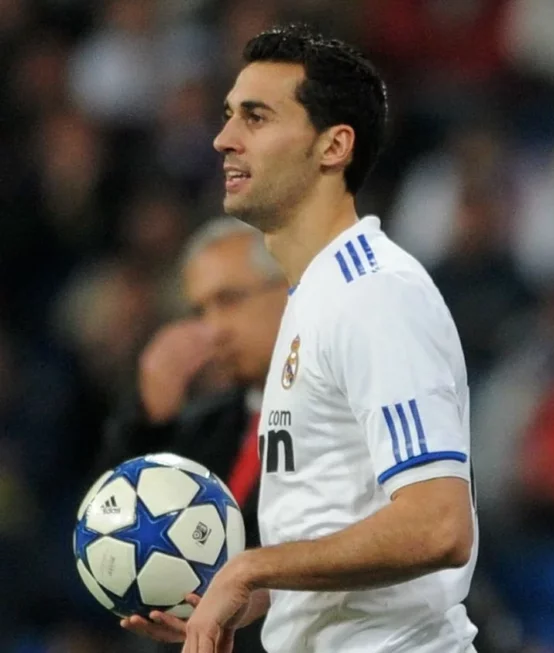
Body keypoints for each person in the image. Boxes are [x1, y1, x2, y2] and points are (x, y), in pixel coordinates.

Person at [122, 24, 478, 653]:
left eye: (256, 117)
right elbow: (342, 518)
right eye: (229, 115)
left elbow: (439, 525)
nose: (223, 139)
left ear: (333, 146)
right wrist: (257, 597)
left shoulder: (374, 293)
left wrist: (251, 567)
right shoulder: (311, 298)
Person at [99, 217, 288, 653]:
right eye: (200, 311)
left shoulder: (344, 408)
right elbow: (111, 529)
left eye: (228, 300)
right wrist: (149, 419)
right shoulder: (204, 426)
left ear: (290, 286)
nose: (213, 329)